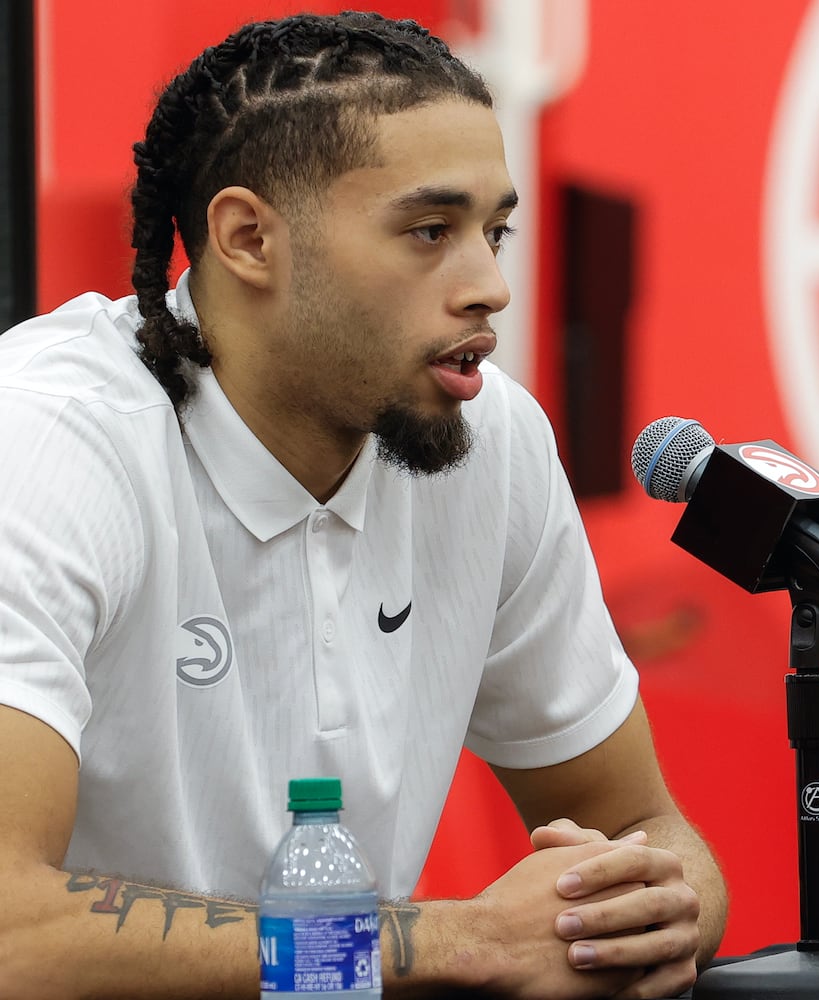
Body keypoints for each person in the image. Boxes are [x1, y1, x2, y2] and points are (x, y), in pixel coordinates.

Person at [0, 11, 725, 999]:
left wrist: (648, 909)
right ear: (249, 238)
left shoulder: (493, 437)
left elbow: (646, 828)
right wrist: (446, 944)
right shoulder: (43, 442)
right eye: (430, 231)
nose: (490, 286)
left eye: (494, 229)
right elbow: (10, 933)